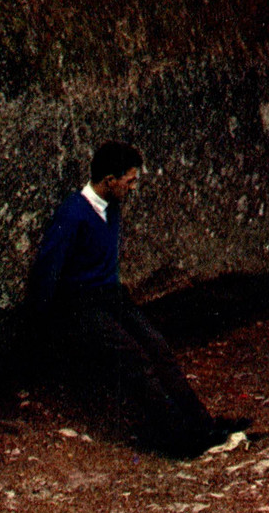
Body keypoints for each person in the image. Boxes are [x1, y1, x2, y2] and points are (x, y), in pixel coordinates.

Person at [26, 141, 248, 456]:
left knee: (158, 346)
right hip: (82, 304)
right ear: (108, 181)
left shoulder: (111, 206)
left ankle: (204, 426)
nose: (133, 187)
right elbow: (46, 270)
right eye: (129, 181)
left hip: (111, 295)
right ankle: (180, 439)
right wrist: (47, 321)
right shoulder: (73, 213)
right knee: (134, 360)